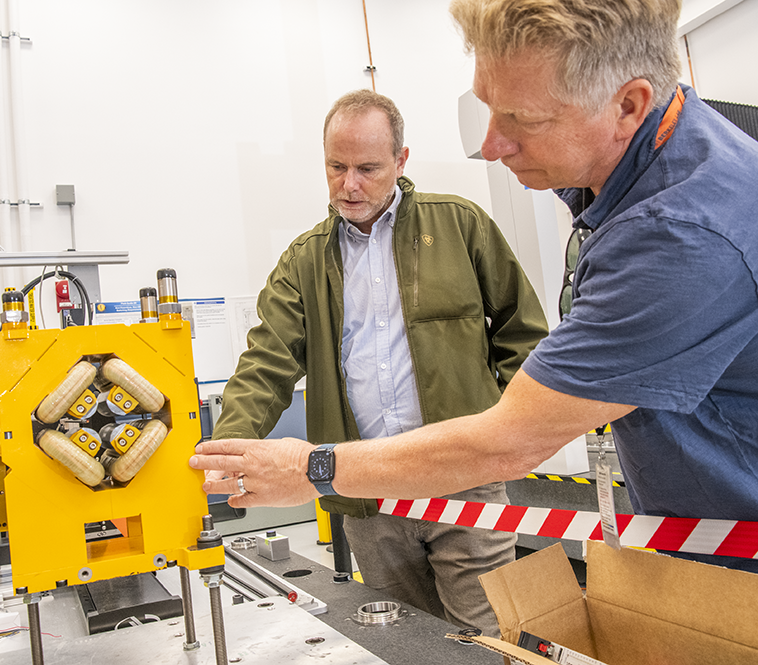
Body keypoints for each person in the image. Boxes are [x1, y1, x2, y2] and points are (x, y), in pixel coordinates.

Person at [192, 0, 758, 572]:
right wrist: (224, 453)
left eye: (522, 118)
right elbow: (266, 362)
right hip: (383, 491)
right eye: (488, 109)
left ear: (626, 106)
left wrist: (312, 467)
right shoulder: (646, 170)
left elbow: (516, 421)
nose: (490, 145)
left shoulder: (677, 236)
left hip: (726, 556)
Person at [208, 89, 549, 634]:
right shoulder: (305, 259)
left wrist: (510, 431)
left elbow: (522, 332)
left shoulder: (460, 226)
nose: (349, 184)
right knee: (406, 638)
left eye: (367, 168)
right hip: (366, 491)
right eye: (336, 167)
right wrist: (224, 448)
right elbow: (266, 363)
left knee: (485, 640)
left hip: (465, 477)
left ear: (401, 160)